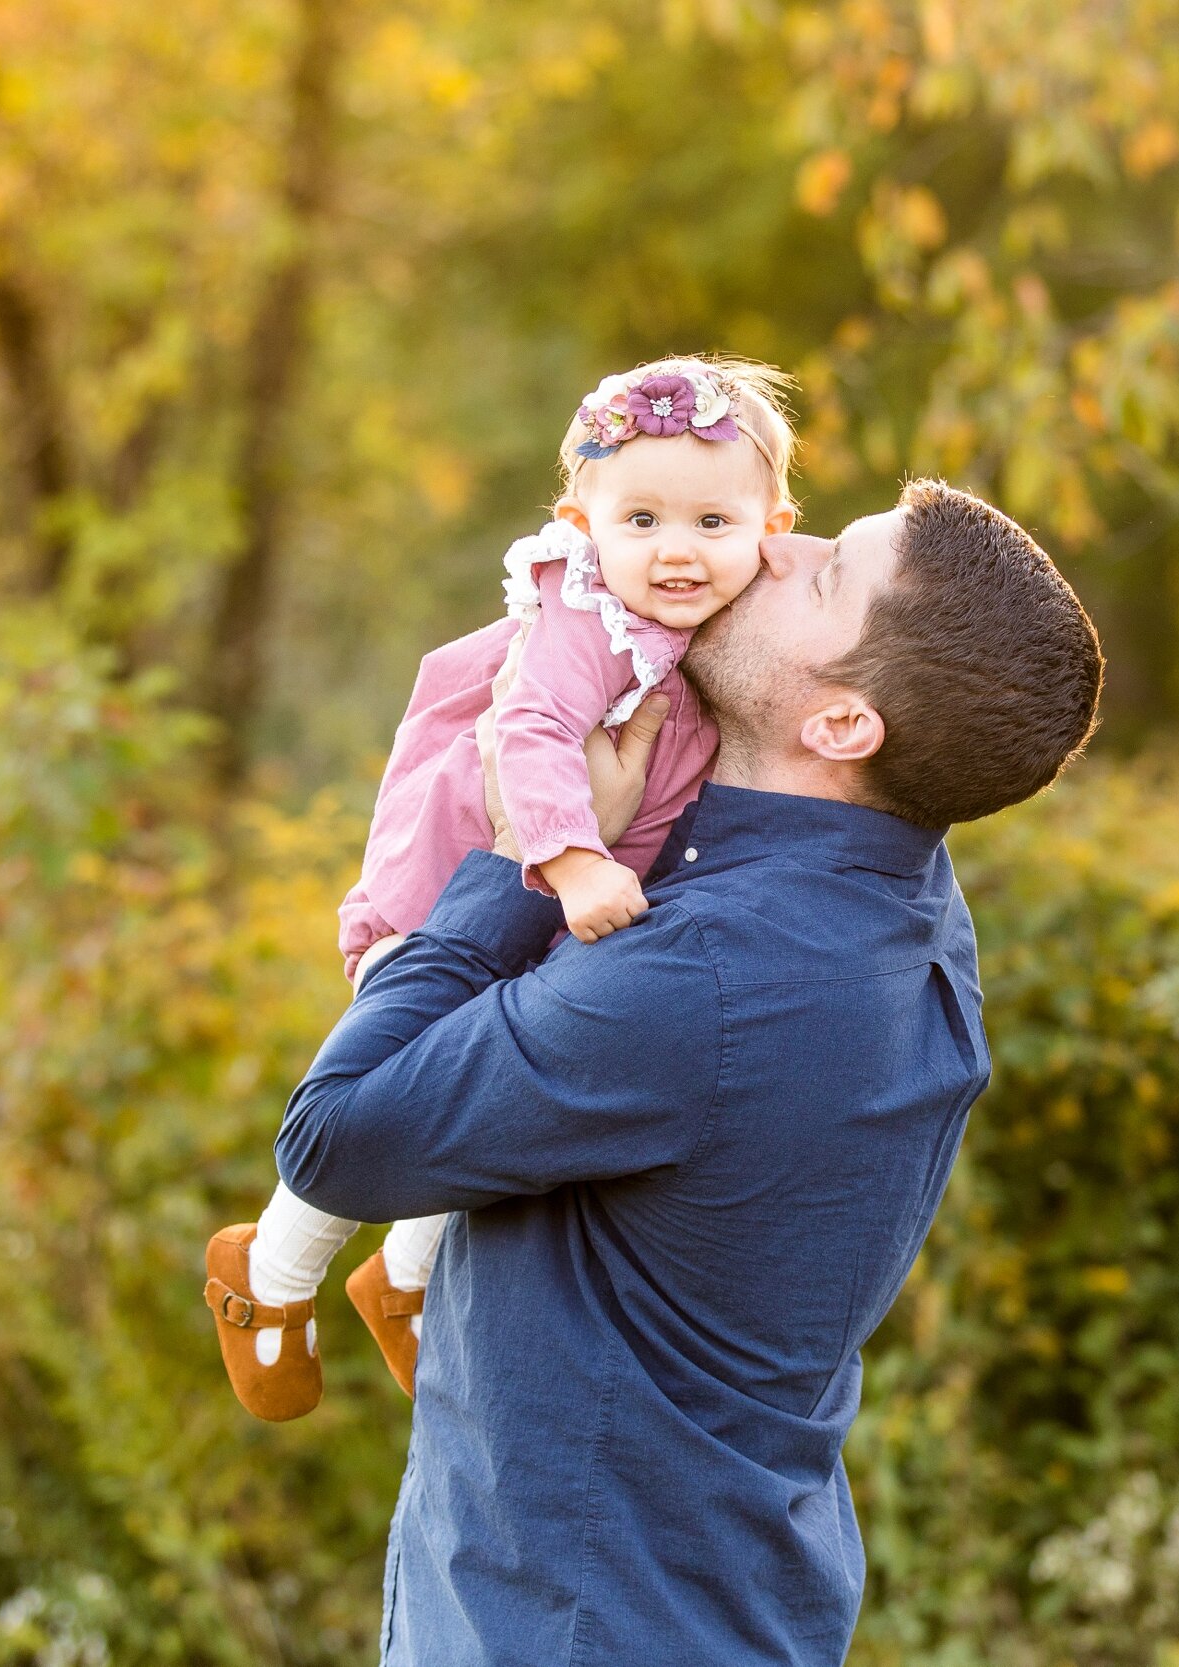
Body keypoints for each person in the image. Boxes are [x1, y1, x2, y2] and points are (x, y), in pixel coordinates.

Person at [260, 478, 1102, 1665]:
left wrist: (518, 858)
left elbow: (334, 1137)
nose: (773, 543)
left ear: (844, 725)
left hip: (574, 1629)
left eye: (824, 571)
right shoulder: (896, 895)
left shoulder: (704, 975)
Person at [206, 356, 800, 1421]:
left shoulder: (735, 619)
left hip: (561, 913)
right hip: (465, 880)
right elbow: (526, 733)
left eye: (714, 521)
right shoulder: (585, 617)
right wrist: (571, 856)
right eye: (643, 519)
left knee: (488, 1088)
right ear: (582, 521)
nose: (676, 549)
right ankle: (269, 1272)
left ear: (773, 527)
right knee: (404, 1077)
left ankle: (402, 1277)